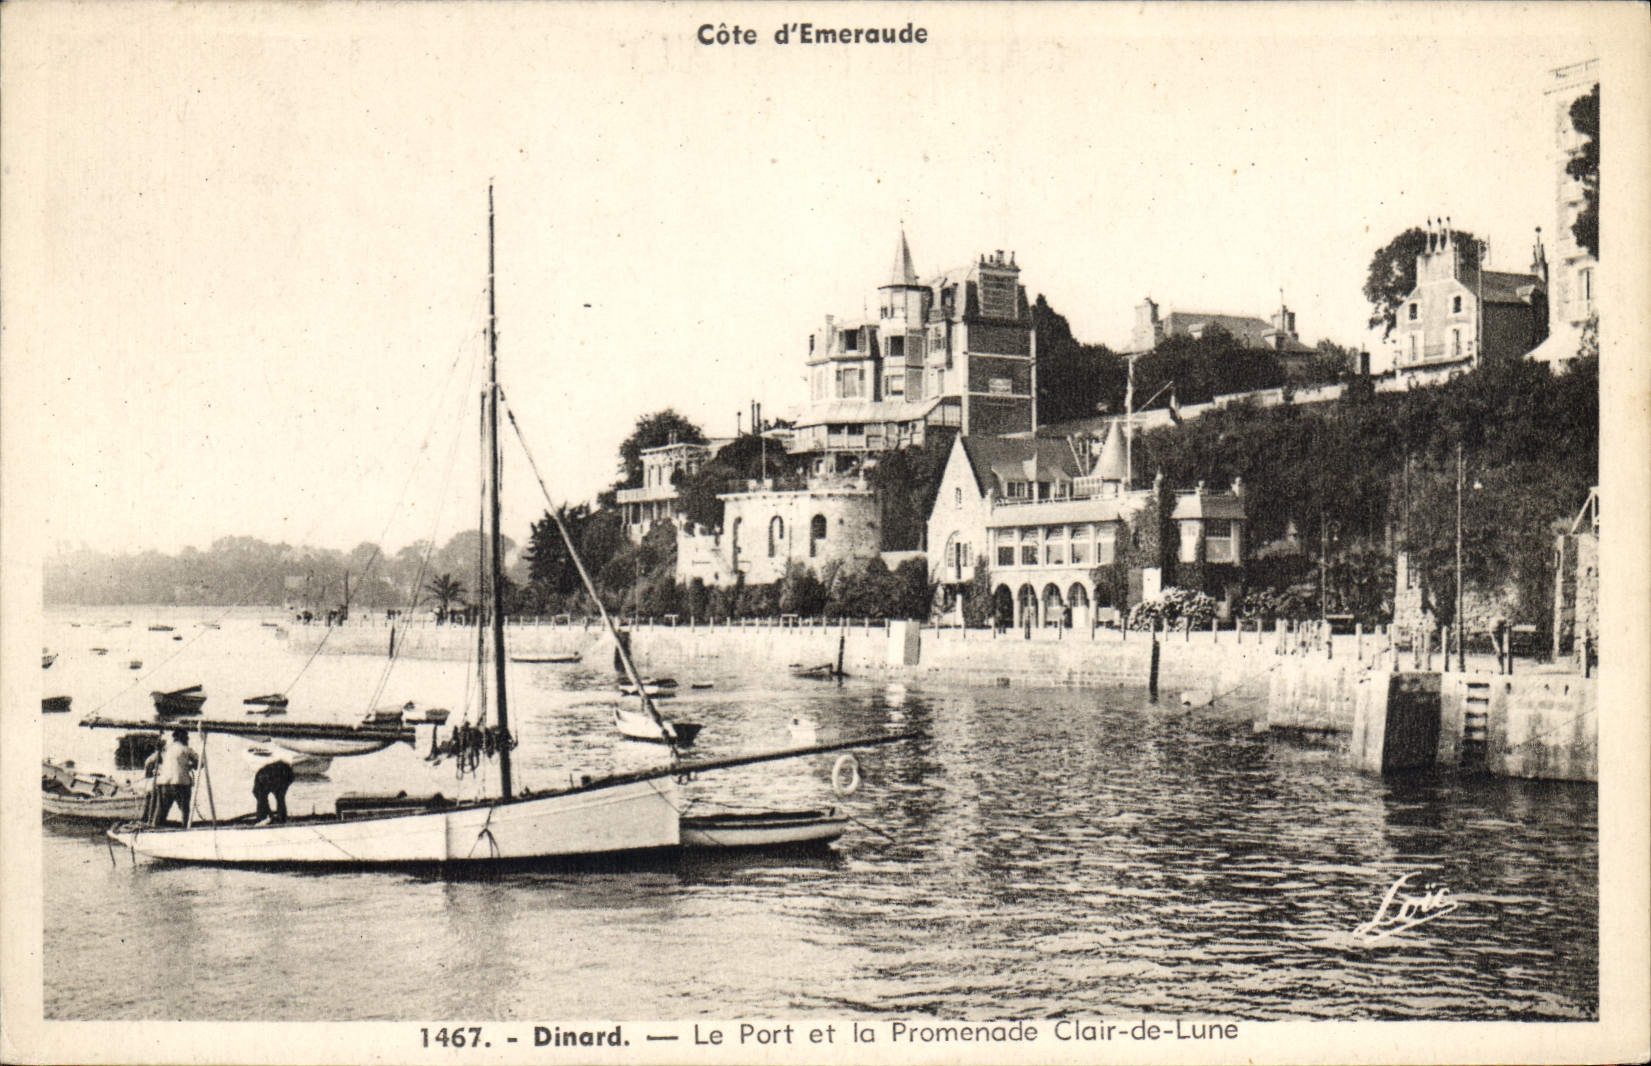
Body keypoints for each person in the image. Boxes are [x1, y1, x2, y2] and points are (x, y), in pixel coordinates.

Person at [144, 729, 199, 827]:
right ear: (183, 738)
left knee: (160, 813)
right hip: (182, 784)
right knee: (185, 812)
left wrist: (149, 774)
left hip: (164, 785)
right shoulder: (186, 749)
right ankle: (185, 829)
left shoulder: (165, 749)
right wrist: (190, 765)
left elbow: (148, 762)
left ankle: (155, 827)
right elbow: (200, 763)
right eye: (186, 737)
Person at [251, 759, 295, 825]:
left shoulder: (265, 778)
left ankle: (278, 818)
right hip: (279, 772)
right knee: (275, 797)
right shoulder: (261, 780)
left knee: (279, 796)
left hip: (283, 773)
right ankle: (269, 817)